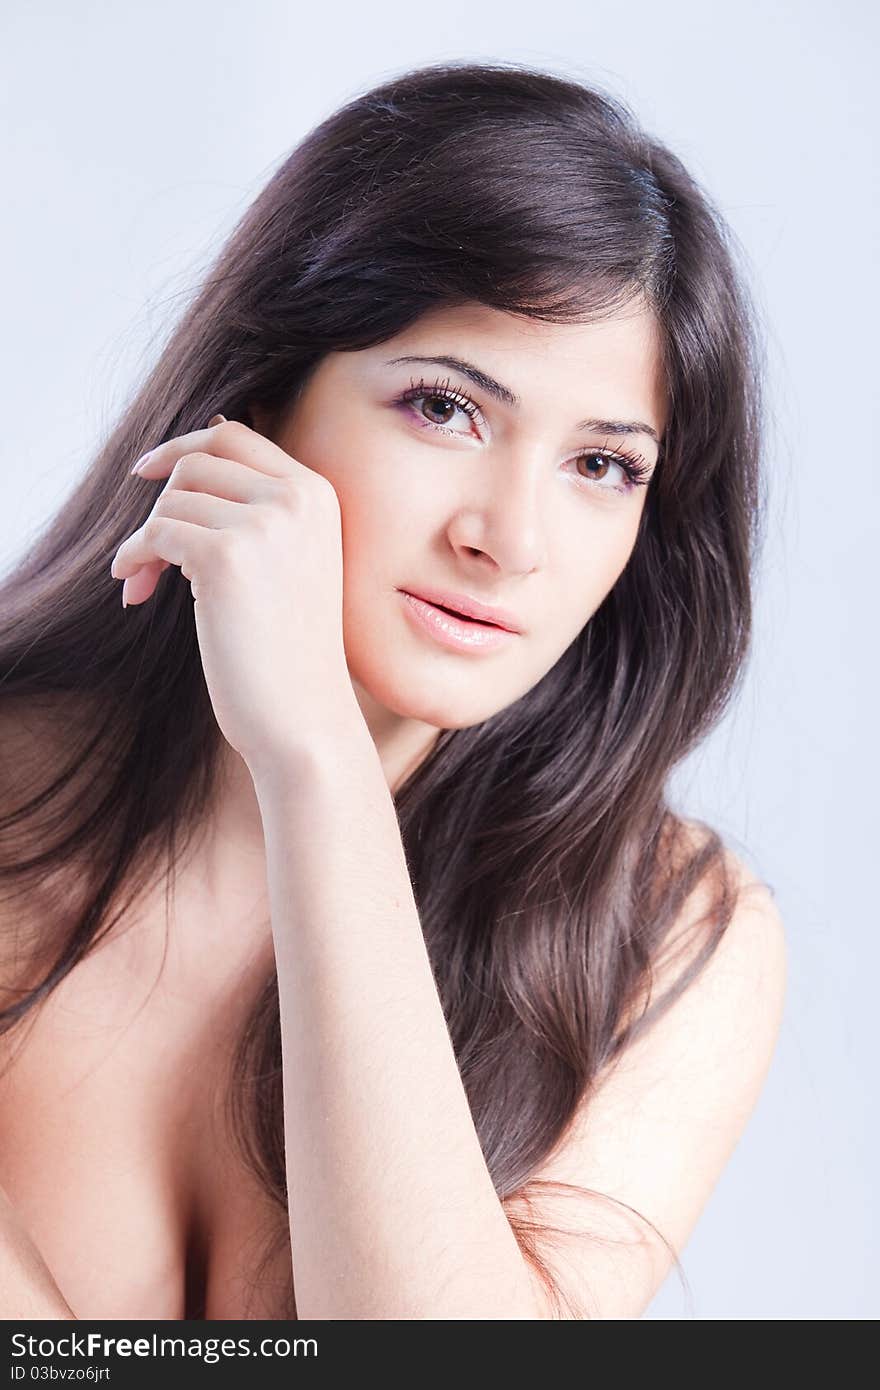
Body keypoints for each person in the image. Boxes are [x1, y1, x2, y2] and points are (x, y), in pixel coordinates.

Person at [0, 60, 786, 1321]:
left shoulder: (669, 931)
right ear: (264, 398)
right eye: (444, 407)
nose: (511, 538)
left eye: (601, 463)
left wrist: (314, 760)